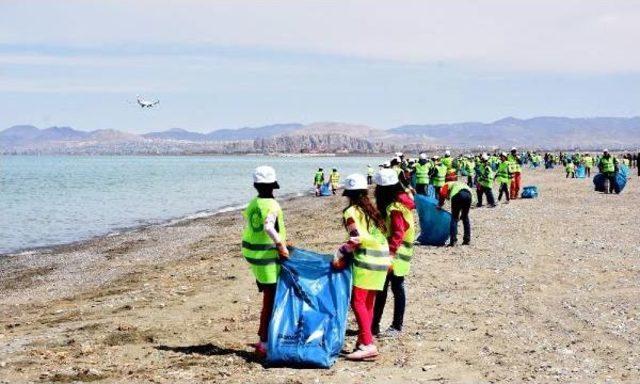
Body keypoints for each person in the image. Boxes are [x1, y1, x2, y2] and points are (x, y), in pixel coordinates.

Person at [332, 174, 391, 361]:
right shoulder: (371, 210)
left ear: (348, 193)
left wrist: (339, 254)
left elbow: (355, 239)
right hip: (382, 260)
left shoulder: (350, 212)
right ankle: (362, 340)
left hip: (367, 261)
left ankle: (367, 344)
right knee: (368, 303)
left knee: (357, 301)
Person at [241, 166, 289, 358]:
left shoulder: (254, 202)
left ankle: (264, 334)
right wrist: (280, 245)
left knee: (269, 297)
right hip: (266, 258)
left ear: (256, 185)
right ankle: (264, 343)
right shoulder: (272, 204)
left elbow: (254, 225)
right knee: (271, 299)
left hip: (252, 255)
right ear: (273, 185)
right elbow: (268, 226)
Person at [371, 169, 415, 338]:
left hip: (397, 254)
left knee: (396, 287)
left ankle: (396, 325)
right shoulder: (398, 202)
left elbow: (398, 232)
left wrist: (390, 255)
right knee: (383, 288)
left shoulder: (396, 207)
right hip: (395, 252)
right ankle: (374, 325)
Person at [438, 181, 472, 246]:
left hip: (457, 196)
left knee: (454, 218)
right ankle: (467, 240)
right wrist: (463, 213)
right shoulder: (462, 184)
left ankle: (453, 240)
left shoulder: (447, 184)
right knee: (465, 218)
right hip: (468, 196)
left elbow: (442, 194)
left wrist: (440, 204)